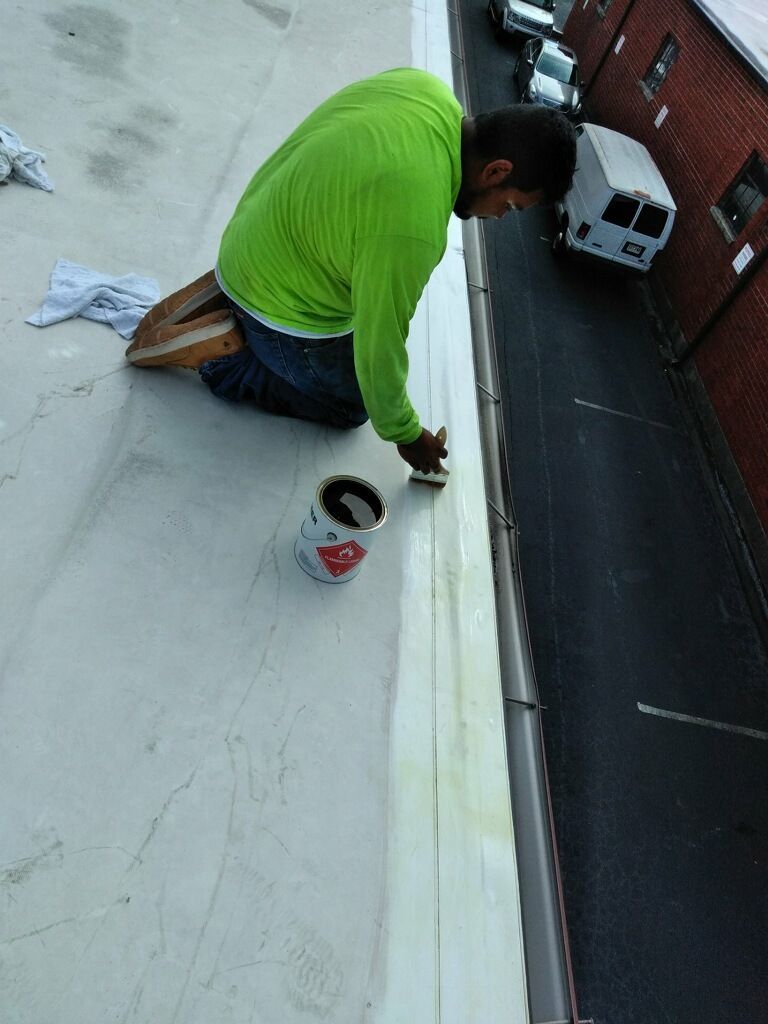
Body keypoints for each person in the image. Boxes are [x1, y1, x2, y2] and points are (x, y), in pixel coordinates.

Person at [126, 68, 576, 475]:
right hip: (281, 308)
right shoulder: (414, 226)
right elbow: (378, 346)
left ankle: (231, 293)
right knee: (353, 407)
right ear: (497, 171)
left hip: (252, 236)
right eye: (511, 206)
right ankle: (224, 358)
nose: (499, 217)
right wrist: (404, 432)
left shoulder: (424, 90)